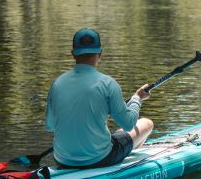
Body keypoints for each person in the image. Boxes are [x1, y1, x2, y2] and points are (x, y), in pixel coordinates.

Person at [45, 28, 153, 168]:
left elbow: (50, 126)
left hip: (62, 160)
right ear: (100, 53)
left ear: (73, 54)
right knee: (146, 123)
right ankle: (129, 164)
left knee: (116, 134)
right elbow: (128, 124)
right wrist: (137, 98)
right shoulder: (108, 83)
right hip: (100, 159)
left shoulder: (57, 84)